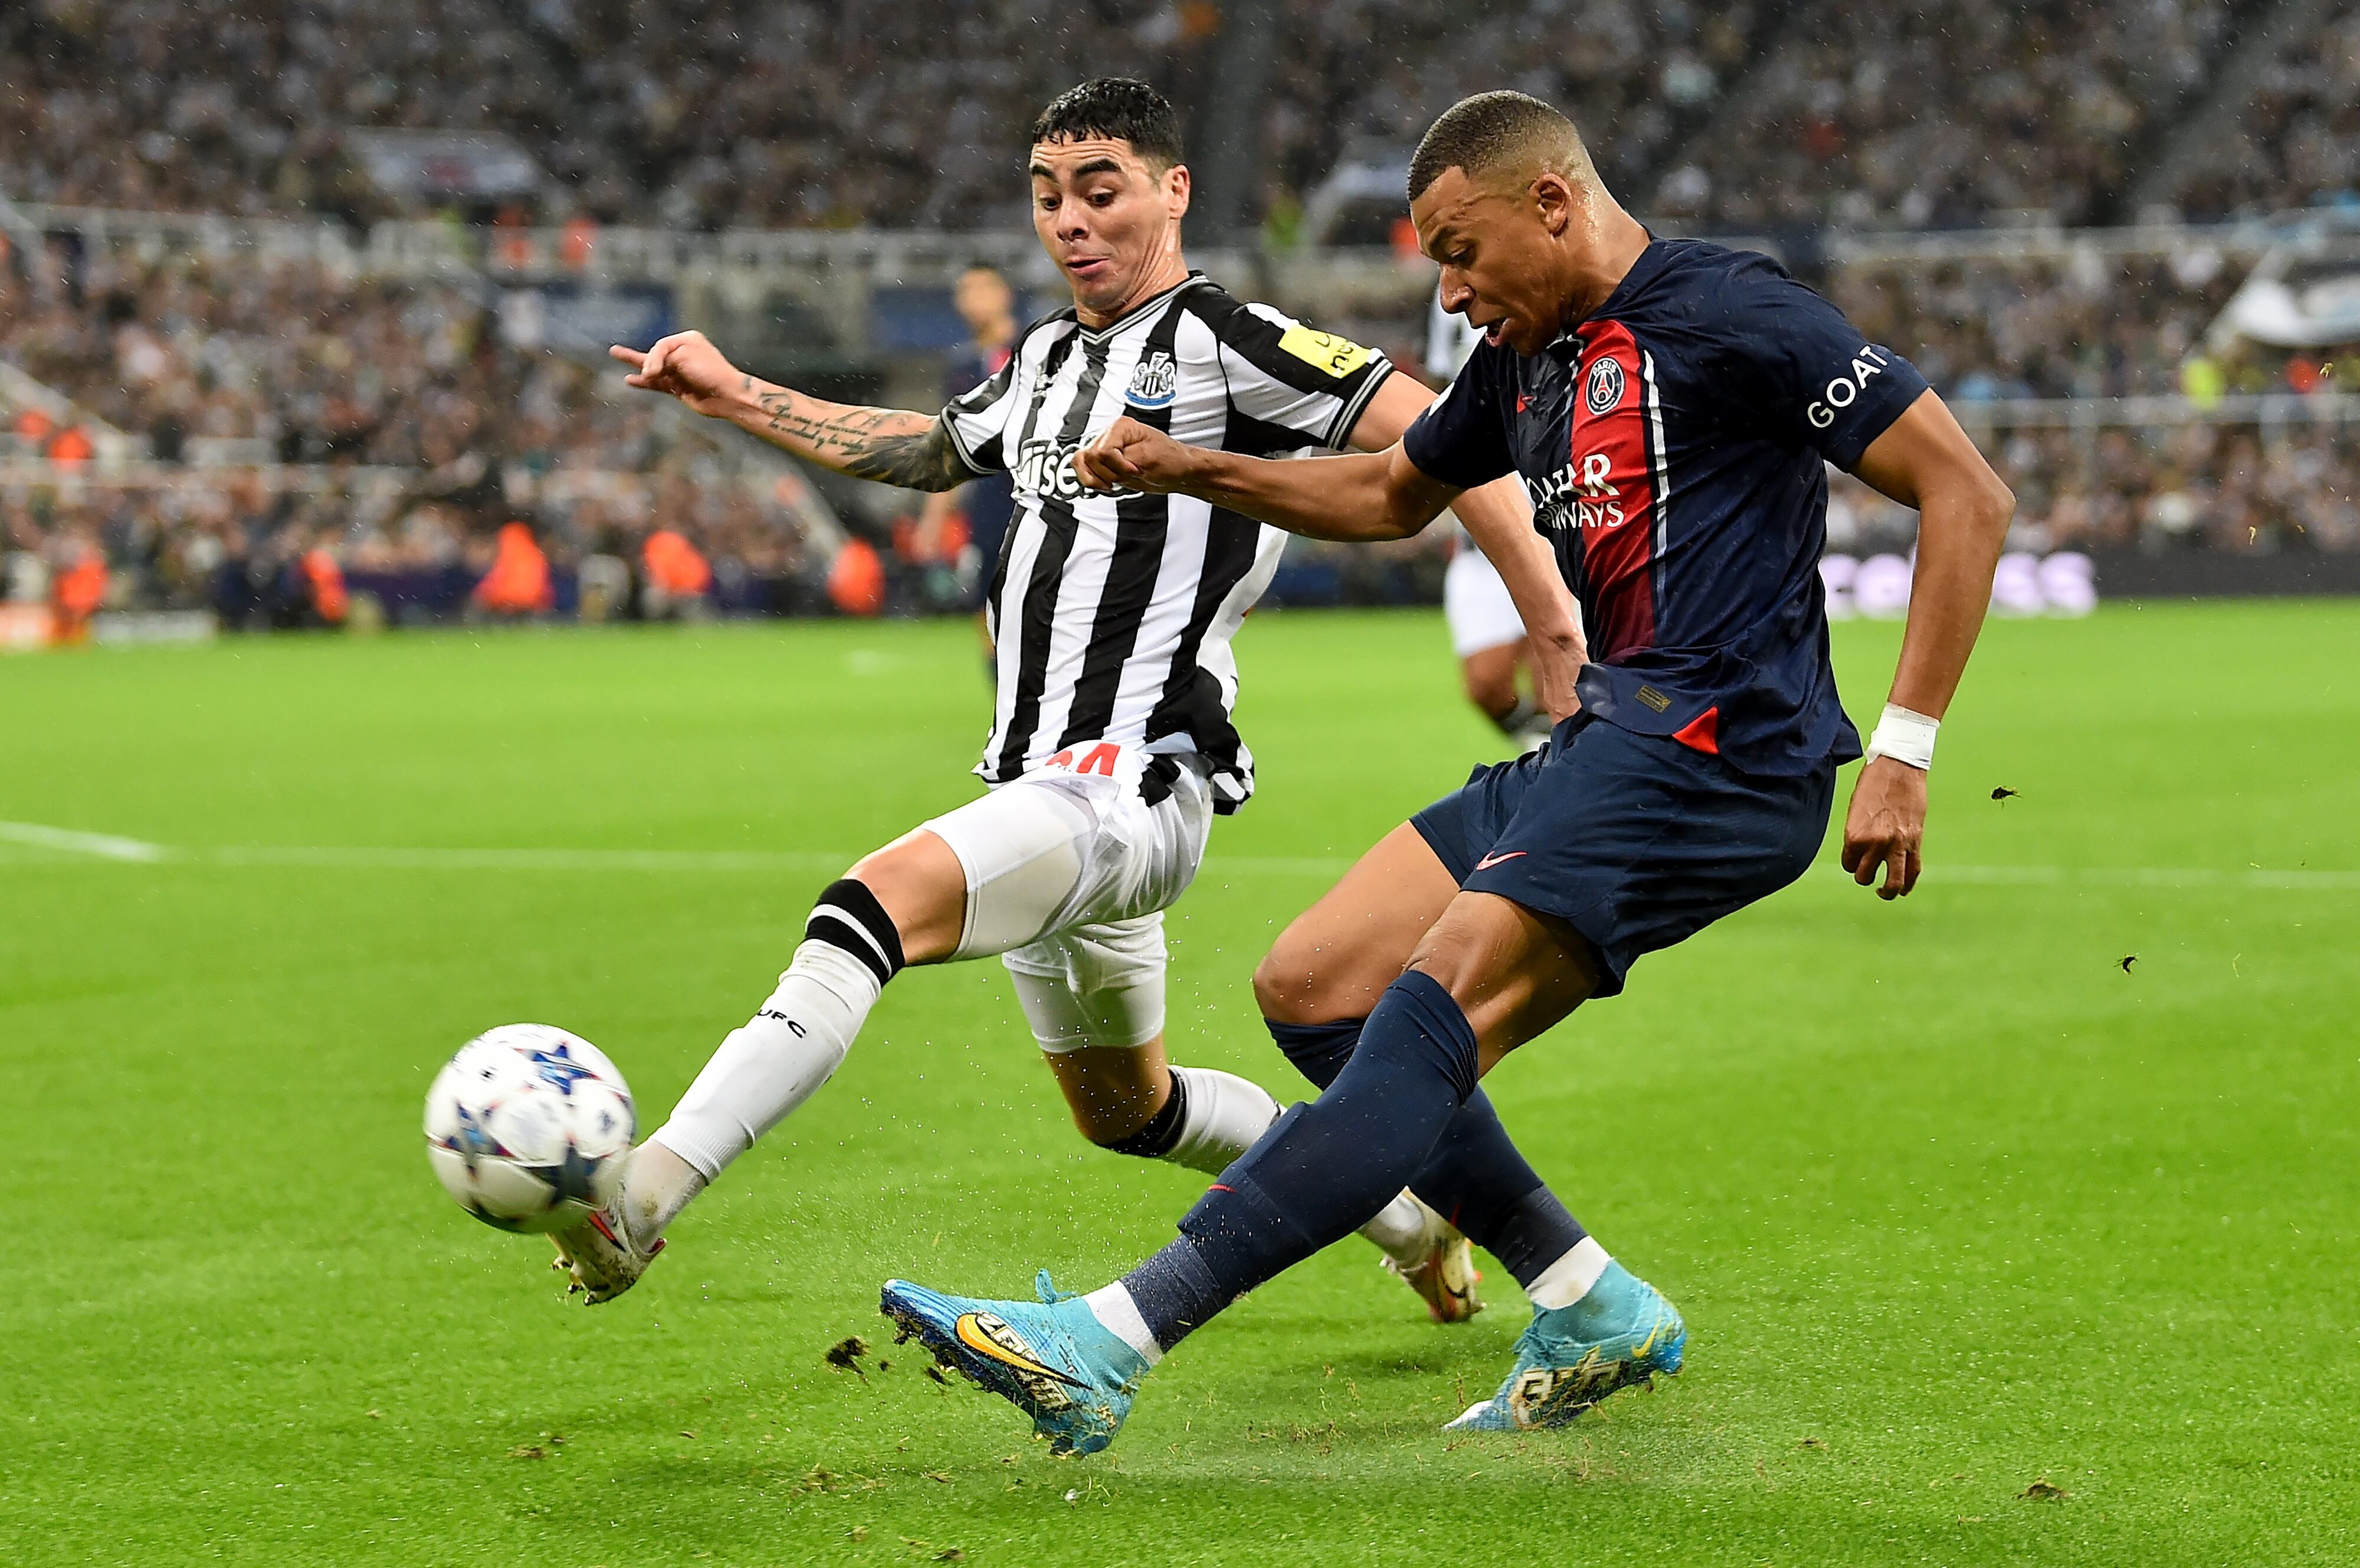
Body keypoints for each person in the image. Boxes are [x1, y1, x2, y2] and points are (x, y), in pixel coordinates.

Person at [878, 90, 2015, 1455]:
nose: (1452, 292)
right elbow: (1383, 494)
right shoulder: (1526, 361)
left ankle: (1114, 1335)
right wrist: (1189, 464)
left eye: (1461, 253)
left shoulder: (1730, 313)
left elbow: (1965, 491)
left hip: (1720, 751)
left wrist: (1901, 748)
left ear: (1552, 202)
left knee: (1427, 1012)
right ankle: (1586, 1296)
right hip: (1609, 736)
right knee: (1315, 988)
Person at [556, 80, 1581, 1325]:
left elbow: (1447, 439)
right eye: (1047, 197)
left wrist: (1550, 623)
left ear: (1171, 191)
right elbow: (927, 448)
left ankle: (645, 1195)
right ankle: (1411, 1223)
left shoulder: (1227, 342)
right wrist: (729, 392)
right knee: (1128, 1114)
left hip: (1130, 781)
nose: (1070, 222)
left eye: (1100, 190)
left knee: (864, 911)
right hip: (1042, 791)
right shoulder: (1043, 358)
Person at [1428, 289, 1553, 750]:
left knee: (1558, 682)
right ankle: (1543, 754)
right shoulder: (1451, 296)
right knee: (1485, 685)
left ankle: (1555, 770)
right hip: (1479, 544)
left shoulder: (1548, 288)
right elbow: (1440, 383)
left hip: (1552, 526)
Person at [913, 264, 1022, 673]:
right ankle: (1008, 713)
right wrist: (933, 519)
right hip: (990, 506)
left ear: (1004, 294)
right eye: (965, 291)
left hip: (1042, 496)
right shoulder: (961, 367)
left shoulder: (1035, 350)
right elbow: (951, 448)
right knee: (991, 606)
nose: (972, 300)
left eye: (981, 289)